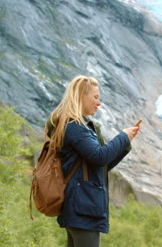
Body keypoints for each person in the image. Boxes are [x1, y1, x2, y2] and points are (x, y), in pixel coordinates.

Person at [44, 75, 139, 247]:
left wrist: (125, 145)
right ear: (81, 96)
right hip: (83, 209)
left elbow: (100, 165)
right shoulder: (75, 126)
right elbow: (99, 156)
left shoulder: (74, 126)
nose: (98, 103)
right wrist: (123, 137)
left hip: (81, 208)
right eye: (95, 97)